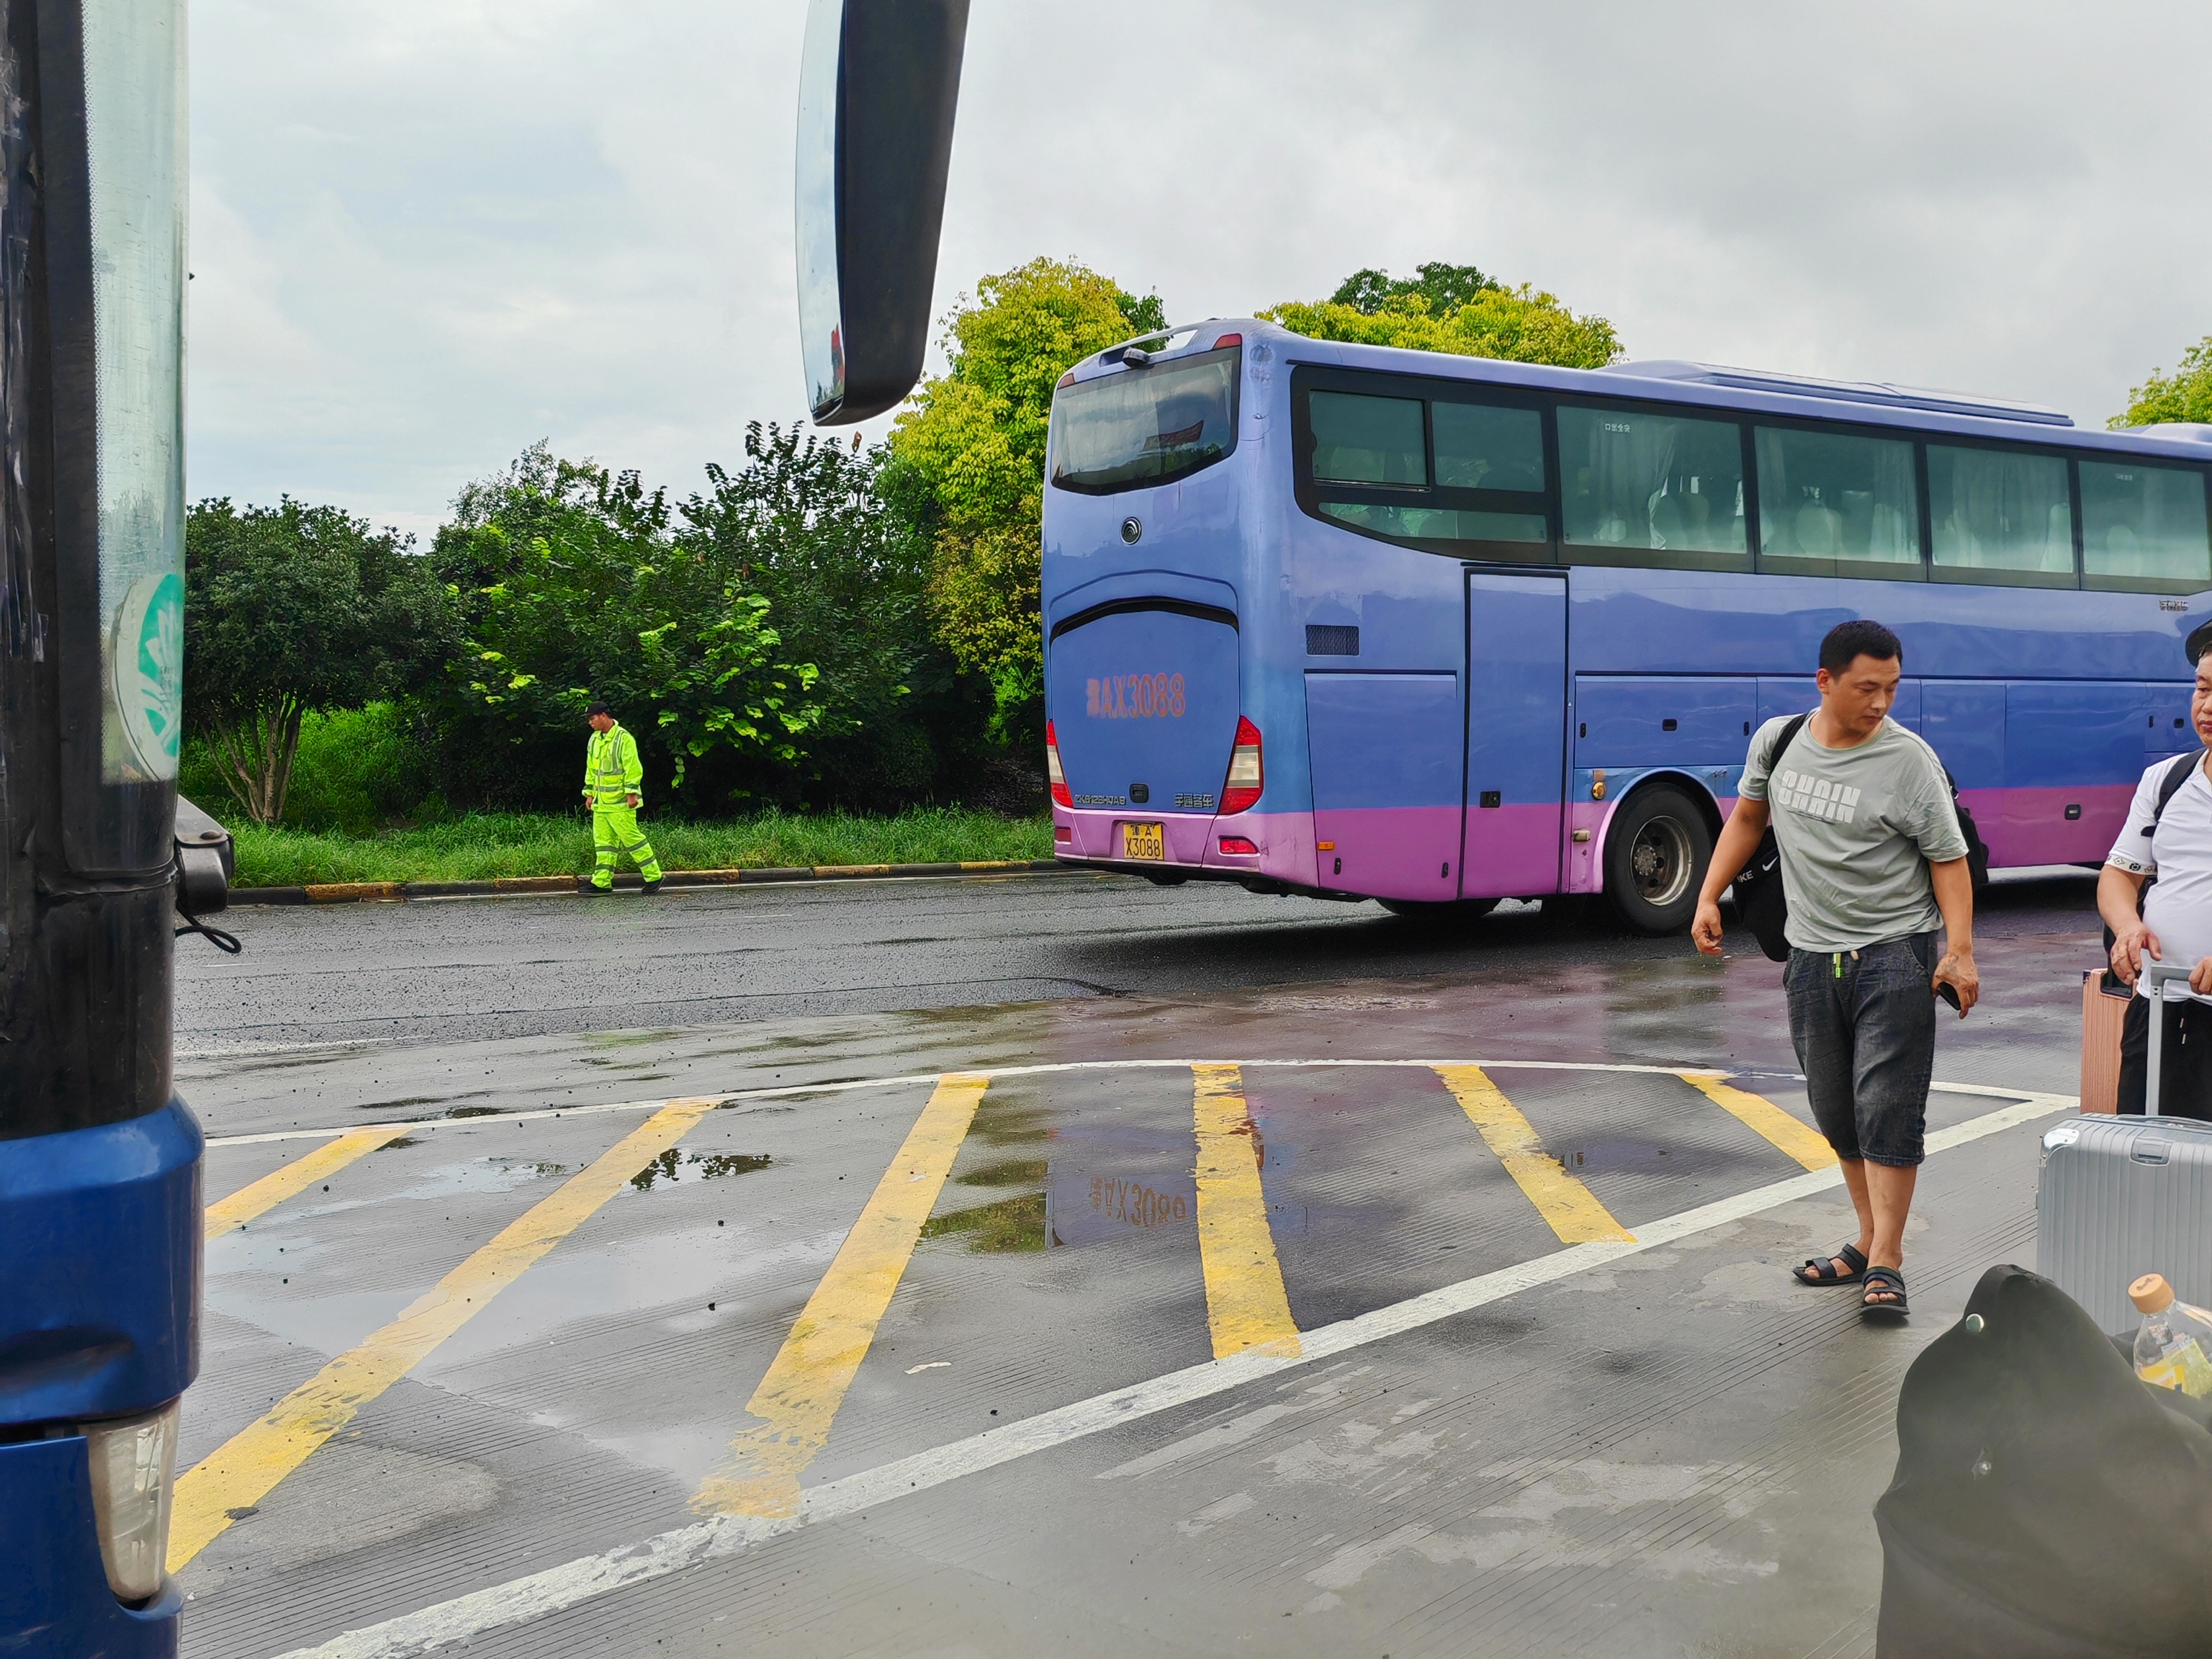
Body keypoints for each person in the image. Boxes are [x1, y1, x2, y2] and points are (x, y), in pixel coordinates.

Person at [1691, 619, 1978, 1320]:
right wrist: (1707, 892)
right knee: (1834, 1109)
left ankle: (1887, 1260)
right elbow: (1748, 819)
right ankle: (1867, 1238)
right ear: (1825, 682)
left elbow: (1949, 859)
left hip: (1895, 953)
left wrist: (1960, 950)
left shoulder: (1908, 761)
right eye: (1866, 688)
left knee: (1887, 1105)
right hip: (1812, 956)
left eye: (1892, 689)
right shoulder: (1779, 742)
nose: (1880, 703)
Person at [2098, 621, 2212, 1119]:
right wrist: (2128, 927)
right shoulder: (2167, 779)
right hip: (2158, 1006)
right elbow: (2120, 876)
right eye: (2203, 689)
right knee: (2145, 1162)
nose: (2206, 707)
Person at [581, 701, 664, 896]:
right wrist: (590, 793)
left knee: (632, 840)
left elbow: (632, 767)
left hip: (620, 803)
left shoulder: (623, 738)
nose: (590, 723)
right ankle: (601, 882)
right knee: (604, 844)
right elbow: (592, 769)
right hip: (601, 804)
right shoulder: (594, 740)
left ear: (603, 715)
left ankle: (654, 876)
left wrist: (632, 793)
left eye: (592, 719)